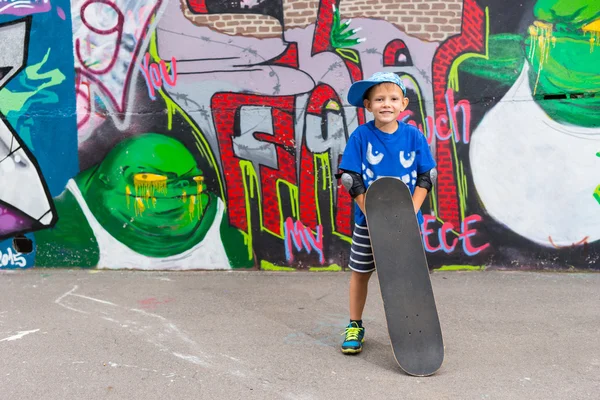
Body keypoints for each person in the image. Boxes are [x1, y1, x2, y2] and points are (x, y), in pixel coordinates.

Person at [336, 71, 437, 354]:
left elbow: (426, 176)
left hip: (405, 224)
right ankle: (355, 324)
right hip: (369, 223)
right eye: (379, 99)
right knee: (360, 273)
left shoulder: (413, 136)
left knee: (408, 276)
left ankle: (415, 329)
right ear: (368, 105)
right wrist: (371, 212)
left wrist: (410, 212)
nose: (386, 104)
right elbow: (350, 178)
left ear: (404, 104)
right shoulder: (361, 136)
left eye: (393, 98)